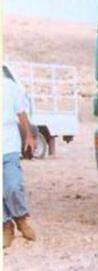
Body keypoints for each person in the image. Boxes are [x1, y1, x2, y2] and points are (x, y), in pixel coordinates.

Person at [3, 66, 37, 248]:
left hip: (8, 143)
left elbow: (21, 114)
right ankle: (6, 225)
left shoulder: (9, 87)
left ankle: (21, 218)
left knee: (13, 186)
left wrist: (29, 136)